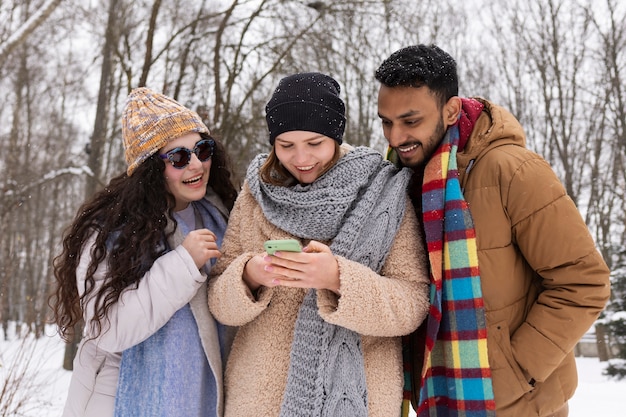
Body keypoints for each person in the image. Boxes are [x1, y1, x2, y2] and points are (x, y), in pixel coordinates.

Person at [375, 44, 611, 417]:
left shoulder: (512, 170)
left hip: (513, 405)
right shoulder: (398, 183)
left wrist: (517, 371)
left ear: (450, 110)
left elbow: (584, 281)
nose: (394, 137)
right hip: (433, 399)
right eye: (386, 122)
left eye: (410, 120)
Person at [207, 72, 431, 417]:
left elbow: (413, 304)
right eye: (286, 145)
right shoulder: (256, 194)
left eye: (314, 144)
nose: (300, 158)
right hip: (258, 401)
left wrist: (338, 279)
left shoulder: (382, 193)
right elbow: (219, 302)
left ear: (336, 137)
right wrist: (249, 276)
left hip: (356, 398)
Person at [50, 87, 238, 417]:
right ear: (152, 168)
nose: (196, 164)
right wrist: (183, 265)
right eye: (179, 157)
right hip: (118, 400)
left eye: (202, 149)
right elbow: (109, 330)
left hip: (203, 400)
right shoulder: (110, 231)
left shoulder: (220, 216)